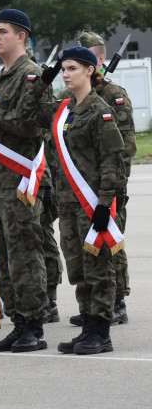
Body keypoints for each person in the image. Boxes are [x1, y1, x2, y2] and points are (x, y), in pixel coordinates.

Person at [19, 46, 126, 354]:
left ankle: (100, 331)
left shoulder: (100, 110)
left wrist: (105, 205)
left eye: (72, 69)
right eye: (63, 69)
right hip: (68, 204)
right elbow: (29, 109)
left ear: (90, 71)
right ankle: (88, 325)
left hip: (94, 203)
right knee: (78, 268)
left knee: (99, 268)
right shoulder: (62, 109)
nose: (65, 74)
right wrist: (43, 80)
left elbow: (112, 161)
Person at [0, 9, 52, 352]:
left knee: (24, 256)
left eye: (3, 31)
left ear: (22, 37)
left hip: (19, 183)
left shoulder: (33, 77)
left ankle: (33, 324)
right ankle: (18, 321)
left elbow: (32, 124)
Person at [76, 31, 135, 325]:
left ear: (98, 59)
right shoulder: (78, 96)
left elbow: (124, 147)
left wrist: (117, 189)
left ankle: (118, 300)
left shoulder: (113, 95)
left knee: (112, 243)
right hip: (83, 186)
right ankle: (92, 303)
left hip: (110, 186)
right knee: (88, 246)